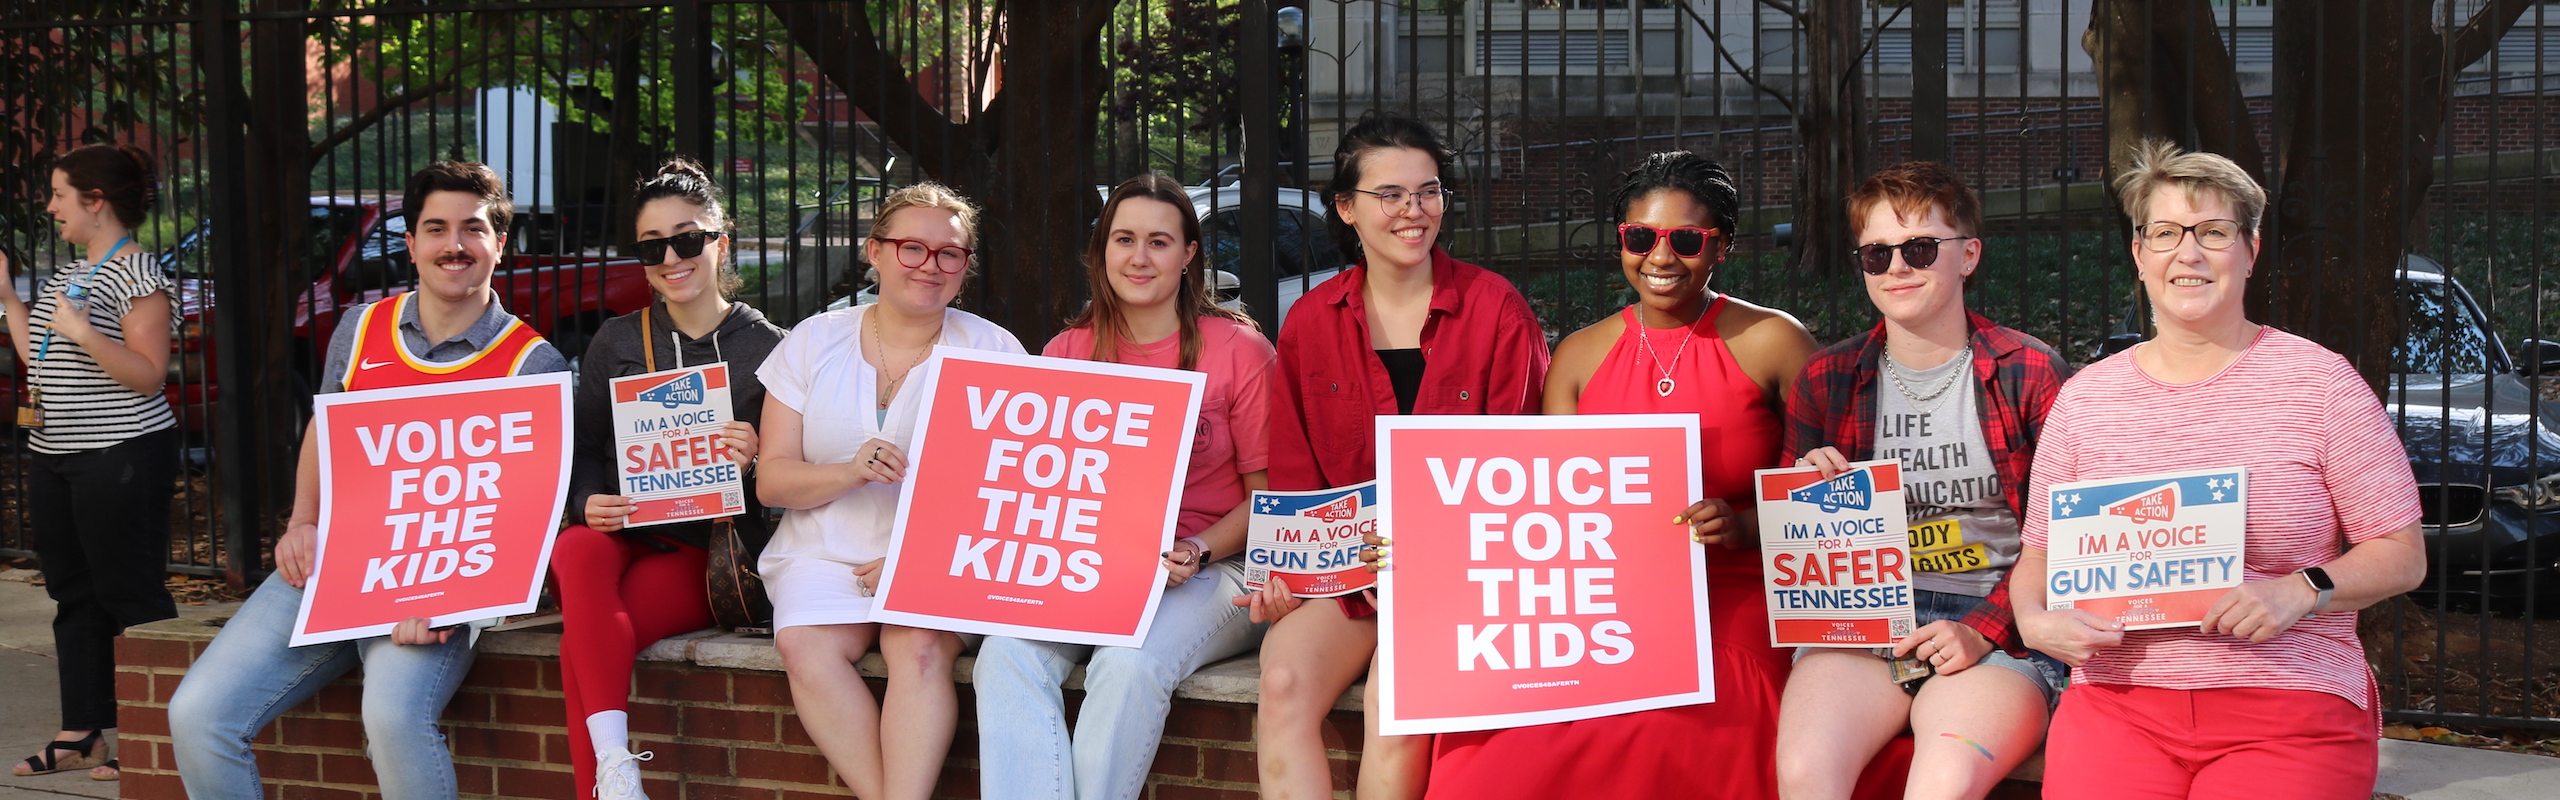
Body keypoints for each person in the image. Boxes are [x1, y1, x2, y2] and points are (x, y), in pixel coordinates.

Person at [2012, 140, 2426, 799]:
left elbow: (2402, 554)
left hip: (2289, 703)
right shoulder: (2086, 398)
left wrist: (2301, 588)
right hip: (2120, 703)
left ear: (2251, 251)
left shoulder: (2320, 385)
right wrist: (2035, 622)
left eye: (2213, 232)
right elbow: (2037, 558)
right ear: (2139, 254)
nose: (2189, 252)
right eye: (2167, 232)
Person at [1411, 151, 1820, 799]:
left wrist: (1742, 527)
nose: (1661, 257)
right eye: (1640, 237)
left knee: (1677, 721)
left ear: (1723, 247)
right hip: (1603, 602)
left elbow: (1832, 493)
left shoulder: (1774, 340)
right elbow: (1544, 511)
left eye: (1687, 239)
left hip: (1738, 590)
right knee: (1501, 742)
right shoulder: (1577, 356)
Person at [166, 162, 569, 800]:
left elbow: (522, 512)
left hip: (439, 584)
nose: (453, 245)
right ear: (410, 244)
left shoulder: (531, 363)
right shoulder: (360, 329)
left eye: (472, 228)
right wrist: (302, 522)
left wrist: (451, 597)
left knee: (392, 718)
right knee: (198, 714)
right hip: (334, 565)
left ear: (499, 243)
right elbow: (326, 434)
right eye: (435, 228)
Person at [1250, 110, 1550, 800]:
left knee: (1397, 701)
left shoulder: (1496, 310)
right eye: (1391, 195)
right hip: (1355, 573)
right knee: (1283, 678)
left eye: (1429, 191)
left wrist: (1432, 557)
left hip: (1466, 570)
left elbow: (1523, 465)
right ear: (1347, 208)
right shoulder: (1310, 322)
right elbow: (1297, 476)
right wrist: (1290, 569)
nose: (1414, 211)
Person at [1773, 161, 2073, 800]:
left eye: (1918, 249)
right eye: (1876, 254)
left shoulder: (2030, 371)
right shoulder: (1826, 379)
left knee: (1943, 782)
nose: (1896, 269)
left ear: (1967, 256)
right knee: (1806, 776)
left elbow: (2066, 538)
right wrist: (1809, 496)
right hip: (1864, 624)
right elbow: (1804, 557)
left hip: (1997, 626)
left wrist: (1983, 629)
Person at [972, 173, 1275, 800]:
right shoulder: (1065, 352)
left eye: (1160, 242)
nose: (1139, 258)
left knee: (1129, 662)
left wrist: (1196, 551)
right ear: (1101, 250)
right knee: (1005, 653)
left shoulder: (1238, 349)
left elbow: (1267, 499)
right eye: (1124, 239)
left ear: (1189, 253)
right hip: (1089, 567)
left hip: (1214, 565)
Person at [758, 183, 1023, 800]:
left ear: (964, 266)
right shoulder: (812, 341)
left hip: (941, 555)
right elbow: (773, 477)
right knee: (804, 644)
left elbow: (1005, 491)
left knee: (921, 648)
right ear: (874, 252)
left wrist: (917, 554)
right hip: (822, 550)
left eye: (949, 253)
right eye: (912, 248)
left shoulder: (993, 350)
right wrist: (848, 471)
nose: (930, 266)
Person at [555, 158, 787, 800]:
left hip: (703, 550)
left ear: (721, 240)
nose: (670, 257)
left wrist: (758, 455)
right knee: (574, 545)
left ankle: (601, 783)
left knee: (584, 642)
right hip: (622, 530)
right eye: (652, 245)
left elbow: (795, 473)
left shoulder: (770, 347)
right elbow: (585, 449)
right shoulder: (616, 340)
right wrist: (586, 501)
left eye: (687, 238)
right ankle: (617, 769)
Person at [0, 143, 177, 782]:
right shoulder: (69, 272)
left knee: (129, 593)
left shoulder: (138, 274)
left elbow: (149, 376)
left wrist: (85, 333)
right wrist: (8, 299)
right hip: (56, 455)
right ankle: (81, 732)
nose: (49, 208)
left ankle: (156, 732)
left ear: (95, 201)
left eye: (58, 195)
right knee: (73, 594)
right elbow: (39, 358)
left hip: (120, 454)